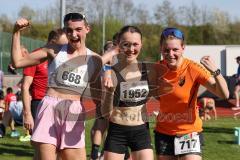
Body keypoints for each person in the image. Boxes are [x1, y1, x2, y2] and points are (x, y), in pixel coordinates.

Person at [11, 13, 103, 160]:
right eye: (69, 30)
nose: (73, 34)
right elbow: (17, 62)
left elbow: (98, 98)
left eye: (78, 29)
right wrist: (16, 32)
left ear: (87, 29)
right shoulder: (54, 50)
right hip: (50, 108)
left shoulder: (95, 59)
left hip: (74, 112)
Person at [154, 27, 229, 160]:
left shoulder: (193, 68)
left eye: (175, 49)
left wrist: (215, 71)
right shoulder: (156, 70)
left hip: (190, 132)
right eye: (166, 50)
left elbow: (224, 95)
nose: (170, 54)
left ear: (183, 48)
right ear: (161, 49)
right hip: (164, 131)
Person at [101, 25, 171, 160]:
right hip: (117, 132)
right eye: (126, 44)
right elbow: (105, 113)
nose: (131, 49)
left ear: (141, 45)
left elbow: (163, 96)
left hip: (141, 131)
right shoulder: (110, 72)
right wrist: (109, 93)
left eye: (135, 44)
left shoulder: (149, 71)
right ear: (118, 45)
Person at [21, 28, 68, 142]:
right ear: (52, 43)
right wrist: (27, 114)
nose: (65, 49)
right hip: (40, 104)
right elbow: (25, 86)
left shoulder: (62, 57)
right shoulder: (36, 56)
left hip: (59, 103)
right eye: (62, 45)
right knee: (42, 145)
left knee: (61, 144)